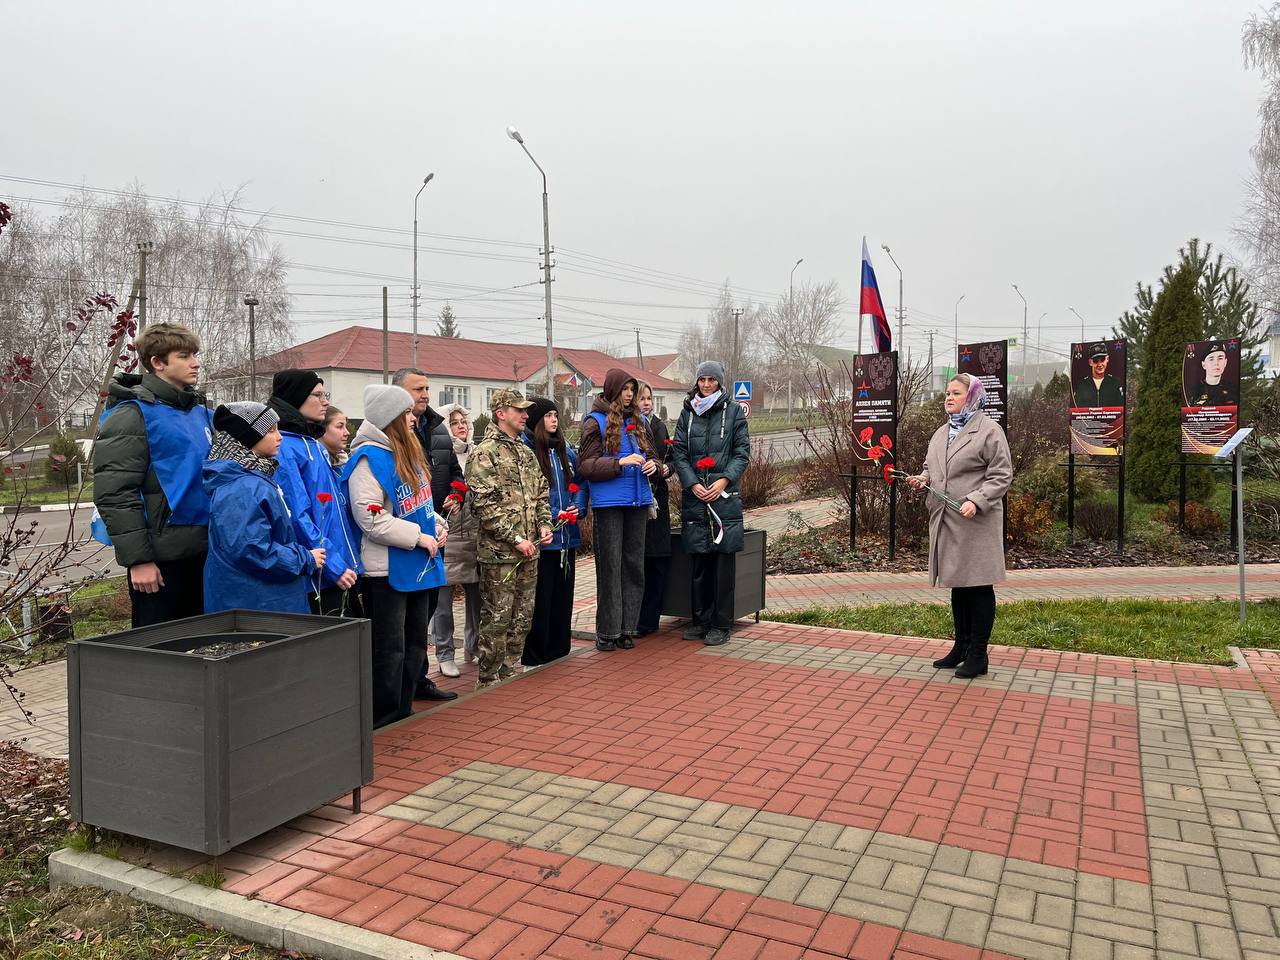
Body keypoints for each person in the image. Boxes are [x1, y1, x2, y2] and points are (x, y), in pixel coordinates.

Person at [343, 384, 457, 728]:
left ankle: (403, 708)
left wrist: (436, 525)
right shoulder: (368, 459)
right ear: (389, 417)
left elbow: (419, 504)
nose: (413, 417)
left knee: (414, 647)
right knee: (390, 650)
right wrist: (418, 537)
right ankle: (384, 716)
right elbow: (371, 518)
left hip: (420, 564)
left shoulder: (406, 452)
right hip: (387, 570)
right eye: (406, 413)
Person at [93, 323, 214, 627]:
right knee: (161, 658)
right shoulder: (131, 415)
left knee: (204, 650)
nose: (195, 363)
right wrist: (139, 560)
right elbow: (116, 492)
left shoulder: (201, 413)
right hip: (160, 564)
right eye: (184, 356)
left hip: (206, 553)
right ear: (157, 363)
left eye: (195, 355)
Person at [906, 373, 1013, 679]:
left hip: (975, 521)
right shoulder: (942, 432)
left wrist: (977, 500)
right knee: (958, 586)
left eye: (955, 393)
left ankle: (979, 655)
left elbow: (1002, 474)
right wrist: (923, 479)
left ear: (973, 396)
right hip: (947, 520)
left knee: (978, 586)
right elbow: (932, 467)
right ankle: (960, 647)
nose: (948, 398)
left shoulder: (989, 431)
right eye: (947, 393)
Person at [203, 402, 323, 615]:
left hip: (259, 599)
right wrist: (305, 559)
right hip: (257, 603)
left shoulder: (253, 479)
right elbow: (251, 550)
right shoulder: (244, 487)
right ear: (247, 437)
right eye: (270, 431)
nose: (280, 437)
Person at [467, 388, 551, 689]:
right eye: (519, 410)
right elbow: (483, 506)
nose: (526, 415)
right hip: (501, 554)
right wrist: (515, 538)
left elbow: (541, 492)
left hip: (530, 550)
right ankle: (488, 679)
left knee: (523, 616)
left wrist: (543, 524)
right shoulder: (484, 453)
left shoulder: (525, 451)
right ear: (501, 413)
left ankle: (508, 669)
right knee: (498, 617)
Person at [267, 370, 360, 618]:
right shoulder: (285, 447)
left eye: (325, 394)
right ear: (296, 397)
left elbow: (333, 511)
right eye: (317, 395)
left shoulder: (310, 442)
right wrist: (333, 565)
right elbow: (297, 515)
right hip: (319, 574)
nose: (325, 401)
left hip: (338, 567)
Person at [672, 361, 750, 646]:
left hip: (723, 498)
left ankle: (720, 623)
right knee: (699, 562)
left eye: (711, 380)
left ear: (719, 382)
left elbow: (742, 453)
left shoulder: (734, 413)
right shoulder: (687, 412)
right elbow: (679, 453)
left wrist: (723, 481)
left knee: (721, 563)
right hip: (696, 498)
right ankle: (700, 619)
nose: (706, 385)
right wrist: (692, 483)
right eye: (702, 380)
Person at [577, 369, 655, 651]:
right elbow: (586, 466)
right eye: (624, 389)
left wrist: (653, 465)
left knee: (634, 567)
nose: (629, 395)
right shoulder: (594, 422)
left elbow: (655, 456)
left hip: (638, 501)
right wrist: (620, 463)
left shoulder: (640, 421)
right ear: (612, 390)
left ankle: (627, 628)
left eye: (632, 390)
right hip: (609, 504)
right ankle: (607, 631)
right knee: (610, 568)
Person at [521, 397, 589, 666]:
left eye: (555, 415)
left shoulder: (566, 452)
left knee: (563, 595)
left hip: (567, 537)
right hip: (544, 538)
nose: (554, 420)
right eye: (548, 415)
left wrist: (578, 507)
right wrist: (550, 517)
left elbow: (581, 484)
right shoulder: (529, 452)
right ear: (537, 420)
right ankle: (536, 653)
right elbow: (528, 495)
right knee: (542, 598)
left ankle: (560, 649)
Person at [430, 403, 480, 678]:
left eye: (464, 421)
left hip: (474, 538)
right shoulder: (441, 456)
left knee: (478, 601)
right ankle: (445, 653)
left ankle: (473, 647)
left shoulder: (476, 454)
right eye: (455, 422)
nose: (462, 426)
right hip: (447, 539)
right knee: (443, 605)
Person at [392, 367, 465, 525]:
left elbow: (455, 472)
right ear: (398, 393)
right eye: (419, 390)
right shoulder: (391, 435)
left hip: (439, 527)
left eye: (427, 389)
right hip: (407, 527)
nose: (425, 395)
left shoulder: (439, 429)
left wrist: (456, 495)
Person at [635, 381, 676, 636]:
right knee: (638, 561)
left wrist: (664, 468)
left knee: (658, 560)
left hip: (658, 499)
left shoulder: (660, 426)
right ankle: (635, 619)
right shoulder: (629, 427)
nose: (647, 402)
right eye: (642, 398)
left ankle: (650, 620)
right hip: (637, 500)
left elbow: (673, 460)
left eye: (649, 398)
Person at [1072, 343, 1124, 407]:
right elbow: (1076, 408)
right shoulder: (1082, 385)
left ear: (1107, 359)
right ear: (1090, 362)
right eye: (1095, 361)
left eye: (1102, 360)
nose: (1099, 365)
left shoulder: (1115, 383)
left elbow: (1120, 407)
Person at [1189, 341, 1234, 406]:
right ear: (1203, 364)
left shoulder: (1232, 390)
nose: (1216, 363)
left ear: (1225, 362)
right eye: (1211, 359)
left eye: (1220, 358)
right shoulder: (1194, 391)